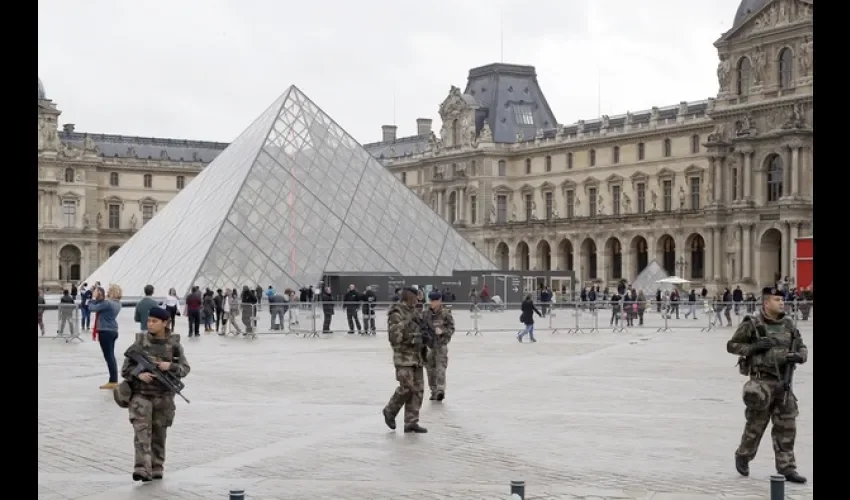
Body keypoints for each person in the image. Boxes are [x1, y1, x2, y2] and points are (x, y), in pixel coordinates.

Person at [726, 287, 808, 484]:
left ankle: (787, 467)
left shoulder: (788, 324)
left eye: (782, 299)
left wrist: (800, 356)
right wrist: (753, 348)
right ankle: (743, 455)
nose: (782, 302)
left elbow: (802, 346)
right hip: (762, 383)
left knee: (787, 426)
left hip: (784, 384)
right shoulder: (752, 324)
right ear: (766, 303)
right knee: (755, 426)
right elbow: (732, 346)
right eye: (777, 299)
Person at [120, 306, 191, 482]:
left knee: (159, 433)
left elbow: (185, 368)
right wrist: (139, 374)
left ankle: (157, 466)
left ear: (165, 323)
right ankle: (142, 468)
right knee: (141, 433)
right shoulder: (139, 343)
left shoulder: (174, 345)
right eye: (149, 321)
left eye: (154, 321)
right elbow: (125, 369)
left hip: (163, 397)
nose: (150, 324)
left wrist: (170, 367)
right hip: (141, 396)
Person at [382, 287, 427, 433]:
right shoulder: (397, 312)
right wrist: (411, 332)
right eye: (416, 296)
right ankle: (390, 410)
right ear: (409, 296)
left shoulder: (415, 311)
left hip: (417, 356)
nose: (418, 299)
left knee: (418, 391)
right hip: (403, 357)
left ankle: (411, 422)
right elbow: (395, 337)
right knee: (406, 388)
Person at [89, 284, 123, 389]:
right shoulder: (118, 304)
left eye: (109, 291)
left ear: (112, 292)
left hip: (105, 331)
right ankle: (113, 379)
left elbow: (92, 308)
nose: (107, 292)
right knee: (111, 355)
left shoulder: (108, 303)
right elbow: (101, 305)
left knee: (108, 356)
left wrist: (93, 297)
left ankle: (113, 380)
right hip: (113, 330)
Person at [423, 290, 454, 401]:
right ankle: (433, 390)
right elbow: (422, 327)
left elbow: (451, 328)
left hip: (441, 344)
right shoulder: (426, 314)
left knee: (441, 367)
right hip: (429, 345)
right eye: (431, 300)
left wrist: (443, 331)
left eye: (435, 300)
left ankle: (440, 390)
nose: (433, 303)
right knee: (430, 369)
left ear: (440, 300)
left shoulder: (446, 313)